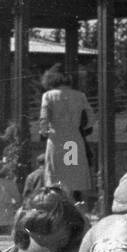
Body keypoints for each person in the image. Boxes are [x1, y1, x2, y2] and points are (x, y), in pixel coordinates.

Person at [38, 65, 96, 202]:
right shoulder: (79, 95)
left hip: (56, 139)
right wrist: (83, 127)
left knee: (55, 177)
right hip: (72, 141)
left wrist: (45, 131)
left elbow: (44, 118)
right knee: (72, 176)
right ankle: (74, 204)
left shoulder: (48, 95)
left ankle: (58, 206)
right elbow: (91, 117)